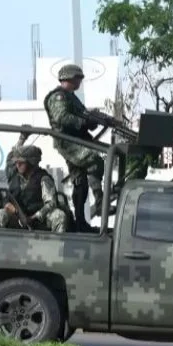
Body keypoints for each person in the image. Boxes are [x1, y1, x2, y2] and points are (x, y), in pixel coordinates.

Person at [43, 63, 105, 231]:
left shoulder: (71, 96)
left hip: (76, 139)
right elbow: (62, 117)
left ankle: (80, 222)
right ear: (70, 77)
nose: (79, 82)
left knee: (80, 183)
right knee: (94, 161)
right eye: (78, 78)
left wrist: (92, 121)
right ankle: (100, 203)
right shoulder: (59, 97)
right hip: (67, 141)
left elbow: (81, 115)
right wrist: (84, 122)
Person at [0, 145, 68, 233]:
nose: (18, 165)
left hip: (39, 219)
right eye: (16, 162)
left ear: (31, 162)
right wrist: (8, 205)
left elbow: (51, 203)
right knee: (1, 214)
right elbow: (8, 197)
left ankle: (56, 245)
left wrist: (34, 217)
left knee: (59, 216)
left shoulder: (43, 178)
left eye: (21, 162)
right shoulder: (14, 177)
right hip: (18, 217)